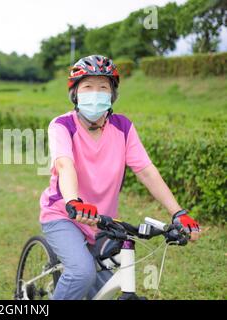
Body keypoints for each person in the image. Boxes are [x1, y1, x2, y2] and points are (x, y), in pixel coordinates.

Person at [39, 55, 200, 300]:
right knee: (82, 274)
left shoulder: (123, 127)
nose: (95, 93)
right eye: (87, 86)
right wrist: (74, 201)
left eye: (103, 87)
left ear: (112, 94)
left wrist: (178, 212)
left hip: (103, 221)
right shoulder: (62, 125)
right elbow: (64, 164)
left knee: (105, 285)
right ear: (75, 93)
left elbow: (146, 170)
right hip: (64, 214)